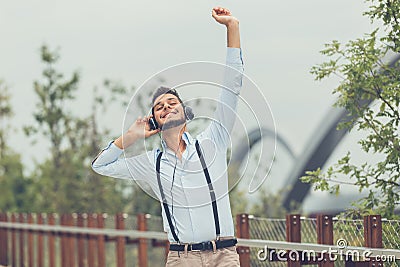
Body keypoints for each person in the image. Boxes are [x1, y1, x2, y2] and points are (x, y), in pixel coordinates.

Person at [92, 6, 243, 267]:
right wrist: (130, 137)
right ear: (155, 122)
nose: (167, 108)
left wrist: (232, 28)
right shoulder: (152, 162)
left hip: (223, 255)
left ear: (186, 113)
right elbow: (100, 165)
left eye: (172, 102)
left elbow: (232, 86)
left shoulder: (213, 141)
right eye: (159, 108)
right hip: (181, 257)